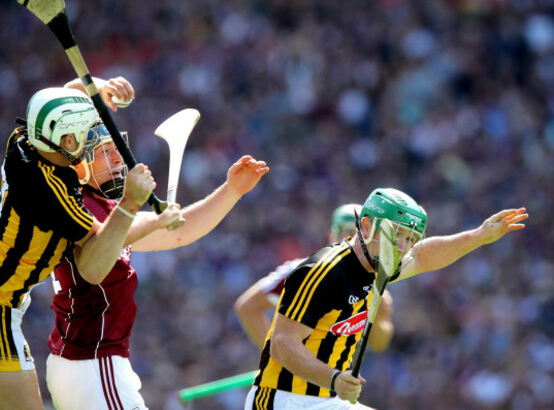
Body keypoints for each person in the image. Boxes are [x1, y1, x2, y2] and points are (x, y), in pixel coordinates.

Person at [0, 81, 160, 410]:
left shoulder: (23, 141)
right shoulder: (55, 195)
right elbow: (99, 249)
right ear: (67, 140)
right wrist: (130, 204)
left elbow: (48, 112)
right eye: (85, 132)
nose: (91, 138)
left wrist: (91, 89)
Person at [44, 77, 270, 410]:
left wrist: (231, 190)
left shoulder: (104, 206)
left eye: (116, 148)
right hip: (92, 361)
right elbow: (52, 112)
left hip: (88, 361)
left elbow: (178, 232)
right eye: (106, 153)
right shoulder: (80, 207)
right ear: (78, 164)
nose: (119, 159)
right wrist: (138, 211)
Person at [244, 188, 527, 410]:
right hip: (283, 401)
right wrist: (332, 378)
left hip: (328, 400)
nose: (403, 248)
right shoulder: (323, 272)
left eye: (410, 238)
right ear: (365, 227)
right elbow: (282, 344)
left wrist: (478, 236)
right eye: (396, 234)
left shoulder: (379, 261)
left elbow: (424, 255)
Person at [234, 204, 393, 351]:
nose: (353, 241)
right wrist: (279, 355)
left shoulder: (373, 283)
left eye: (361, 235)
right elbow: (248, 307)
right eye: (347, 232)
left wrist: (378, 318)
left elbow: (380, 344)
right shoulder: (301, 271)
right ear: (331, 235)